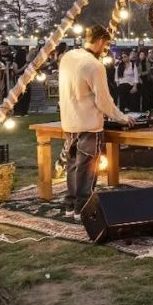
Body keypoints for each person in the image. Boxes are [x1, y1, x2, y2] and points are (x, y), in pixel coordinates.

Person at [57, 25, 135, 219]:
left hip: (69, 121)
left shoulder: (67, 57)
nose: (105, 49)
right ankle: (82, 208)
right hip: (89, 124)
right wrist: (122, 118)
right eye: (106, 45)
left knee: (72, 165)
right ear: (100, 41)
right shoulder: (94, 65)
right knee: (87, 168)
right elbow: (103, 101)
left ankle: (70, 204)